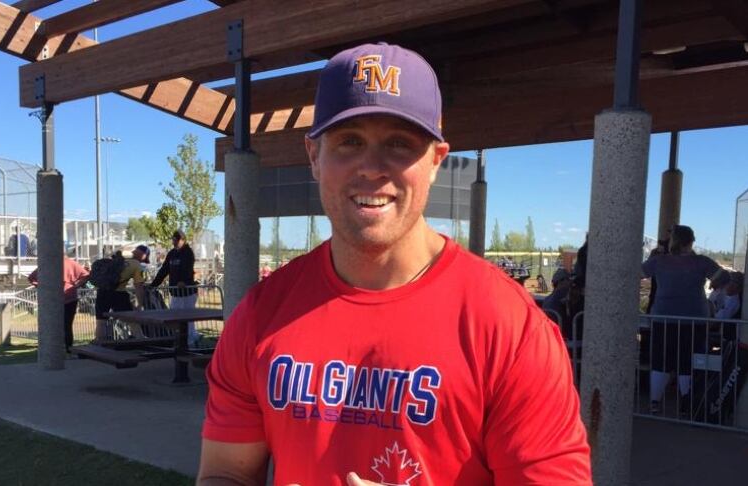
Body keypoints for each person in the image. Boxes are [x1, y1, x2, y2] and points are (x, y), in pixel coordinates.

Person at [198, 43, 591, 485]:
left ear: (436, 162)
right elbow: (225, 474)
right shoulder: (261, 315)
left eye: (399, 144)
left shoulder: (510, 327)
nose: (371, 167)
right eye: (349, 141)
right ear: (313, 156)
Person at [642, 225, 722, 414]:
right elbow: (723, 278)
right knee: (689, 361)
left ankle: (654, 402)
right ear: (691, 241)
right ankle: (687, 404)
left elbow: (639, 273)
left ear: (673, 241)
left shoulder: (659, 261)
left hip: (663, 316)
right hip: (695, 319)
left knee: (661, 360)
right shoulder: (702, 262)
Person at [28, 256, 90, 353]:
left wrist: (42, 286)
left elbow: (31, 278)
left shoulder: (48, 263)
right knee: (67, 325)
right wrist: (76, 285)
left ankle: (54, 347)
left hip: (53, 298)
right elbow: (86, 275)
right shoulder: (71, 263)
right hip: (69, 297)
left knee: (53, 324)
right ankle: (68, 348)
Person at [151, 229, 200, 346]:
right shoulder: (172, 253)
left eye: (176, 241)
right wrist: (153, 284)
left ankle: (190, 340)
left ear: (182, 240)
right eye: (173, 240)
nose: (174, 243)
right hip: (175, 292)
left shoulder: (188, 252)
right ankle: (178, 340)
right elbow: (164, 270)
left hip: (187, 292)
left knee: (188, 319)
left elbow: (188, 269)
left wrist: (184, 281)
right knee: (175, 317)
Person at [94, 245, 149, 340]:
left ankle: (98, 345)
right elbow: (139, 286)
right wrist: (140, 304)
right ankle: (140, 339)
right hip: (119, 294)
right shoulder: (135, 264)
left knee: (101, 322)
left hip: (102, 292)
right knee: (132, 320)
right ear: (143, 255)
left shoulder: (114, 257)